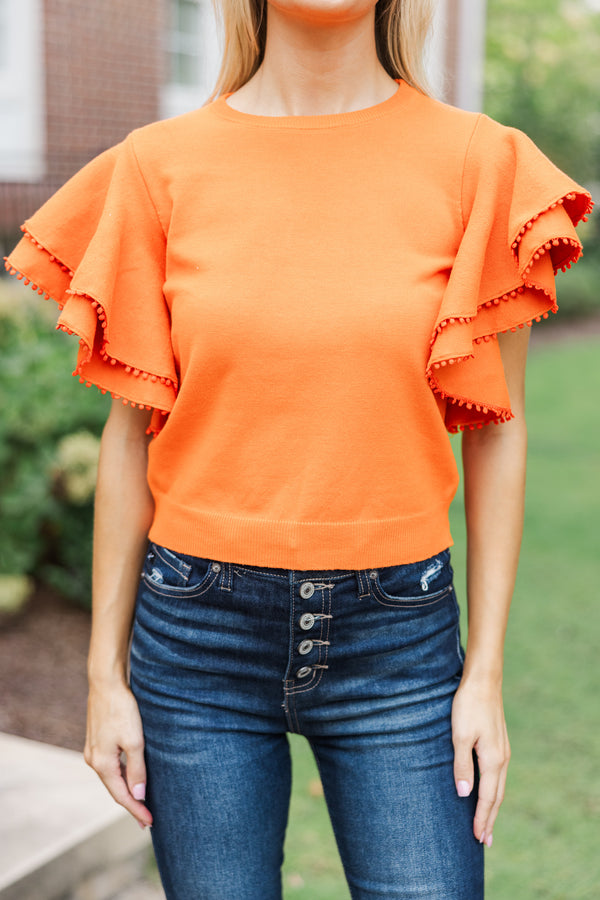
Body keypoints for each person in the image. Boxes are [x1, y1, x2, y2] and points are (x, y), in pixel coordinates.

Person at [4, 0, 592, 896]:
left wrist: (485, 676)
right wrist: (102, 677)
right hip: (193, 638)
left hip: (401, 645)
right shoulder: (157, 168)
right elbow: (130, 436)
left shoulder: (481, 162)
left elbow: (497, 434)